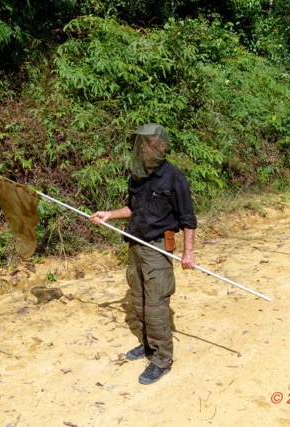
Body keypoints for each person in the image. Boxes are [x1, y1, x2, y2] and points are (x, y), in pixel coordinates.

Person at [90, 123, 197, 385]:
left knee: (156, 304)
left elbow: (188, 219)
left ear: (159, 146)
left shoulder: (174, 177)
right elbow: (132, 208)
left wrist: (188, 253)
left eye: (146, 143)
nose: (141, 148)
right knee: (138, 300)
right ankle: (148, 345)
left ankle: (162, 358)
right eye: (139, 144)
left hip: (158, 248)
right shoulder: (137, 175)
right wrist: (109, 215)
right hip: (135, 245)